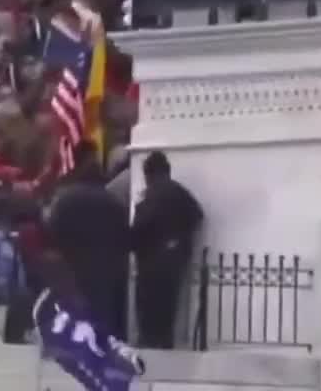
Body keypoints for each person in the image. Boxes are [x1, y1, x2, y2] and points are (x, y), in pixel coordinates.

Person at [45, 142, 129, 339]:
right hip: (104, 266)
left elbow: (52, 230)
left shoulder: (64, 199)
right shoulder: (112, 201)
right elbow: (123, 234)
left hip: (71, 264)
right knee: (100, 312)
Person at [131, 151, 203, 349]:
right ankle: (164, 340)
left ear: (149, 174)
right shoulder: (180, 193)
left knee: (148, 305)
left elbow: (141, 227)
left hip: (151, 259)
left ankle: (149, 341)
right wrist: (179, 239)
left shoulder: (151, 195)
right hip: (175, 260)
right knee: (168, 305)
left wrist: (131, 242)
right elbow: (197, 215)